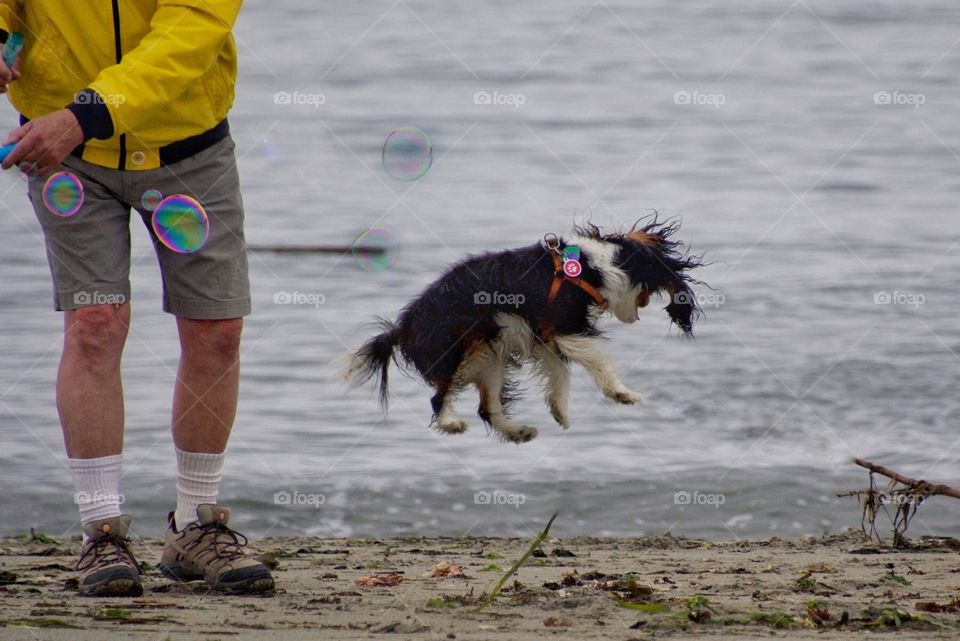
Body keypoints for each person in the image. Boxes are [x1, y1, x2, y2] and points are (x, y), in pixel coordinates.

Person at [0, 1, 273, 596]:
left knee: (217, 328)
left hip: (188, 147)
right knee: (95, 322)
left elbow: (194, 26)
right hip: (63, 150)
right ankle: (101, 530)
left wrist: (86, 112)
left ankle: (196, 525)